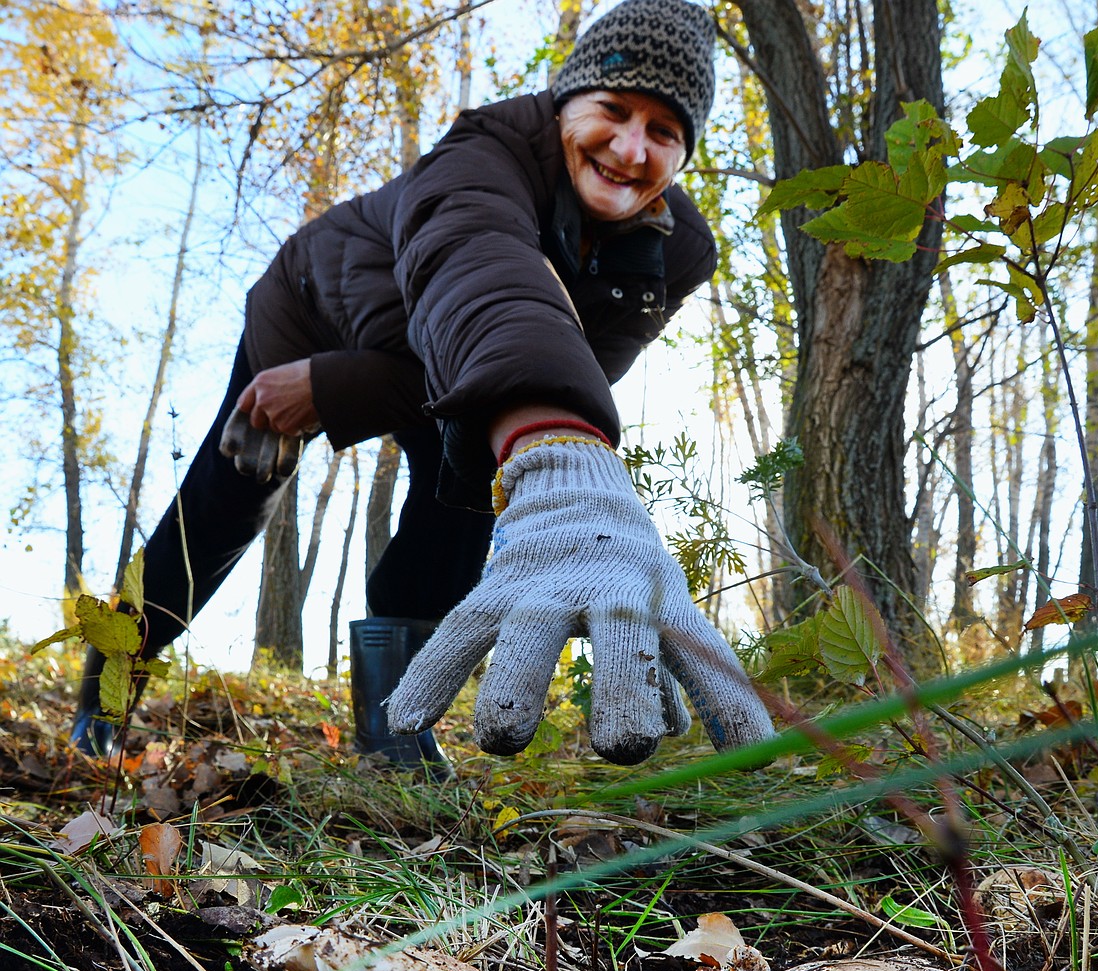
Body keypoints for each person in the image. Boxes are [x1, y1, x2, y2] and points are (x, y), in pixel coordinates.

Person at [70, 0, 775, 772]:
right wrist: (324, 382)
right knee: (219, 512)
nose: (630, 147)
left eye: (664, 132)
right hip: (316, 319)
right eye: (611, 110)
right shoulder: (483, 154)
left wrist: (540, 452)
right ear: (565, 103)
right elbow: (474, 269)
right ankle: (100, 699)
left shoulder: (678, 251)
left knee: (466, 487)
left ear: (683, 156)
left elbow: (571, 363)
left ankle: (393, 730)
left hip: (427, 363)